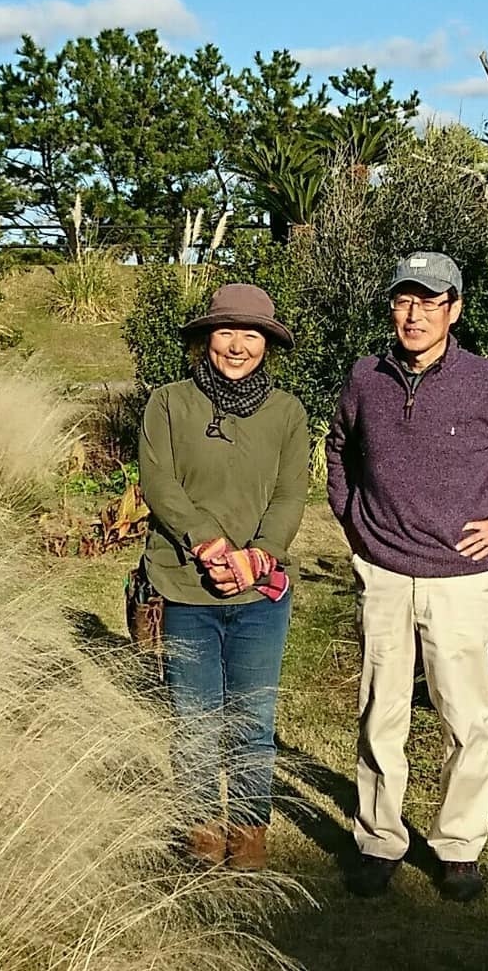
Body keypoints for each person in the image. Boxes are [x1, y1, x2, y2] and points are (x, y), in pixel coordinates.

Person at [326, 252, 488, 901]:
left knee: (464, 717)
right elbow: (338, 446)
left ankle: (459, 846)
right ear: (392, 307)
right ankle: (380, 841)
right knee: (381, 713)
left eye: (430, 302)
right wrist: (353, 519)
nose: (414, 314)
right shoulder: (365, 378)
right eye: (404, 301)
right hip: (383, 573)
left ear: (454, 310)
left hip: (462, 581)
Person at [138, 283, 309, 871]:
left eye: (252, 335)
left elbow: (290, 495)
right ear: (206, 337)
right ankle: (200, 825)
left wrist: (257, 556)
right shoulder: (168, 402)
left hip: (260, 594)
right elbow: (159, 484)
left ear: (268, 345)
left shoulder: (287, 412)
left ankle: (249, 828)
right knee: (194, 718)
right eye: (227, 331)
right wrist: (206, 544)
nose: (238, 346)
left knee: (254, 714)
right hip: (185, 586)